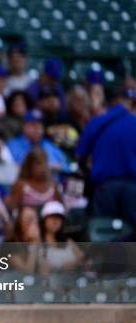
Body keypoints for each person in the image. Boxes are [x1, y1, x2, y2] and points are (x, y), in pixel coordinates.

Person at [76, 88, 136, 227]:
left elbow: (79, 156)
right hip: (132, 188)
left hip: (105, 188)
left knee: (104, 235)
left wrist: (88, 170)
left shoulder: (96, 123)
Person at [39, 201, 84, 273]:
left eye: (59, 218)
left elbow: (83, 260)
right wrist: (63, 268)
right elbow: (43, 270)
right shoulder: (39, 243)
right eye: (52, 217)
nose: (55, 221)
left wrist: (75, 264)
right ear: (44, 220)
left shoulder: (68, 241)